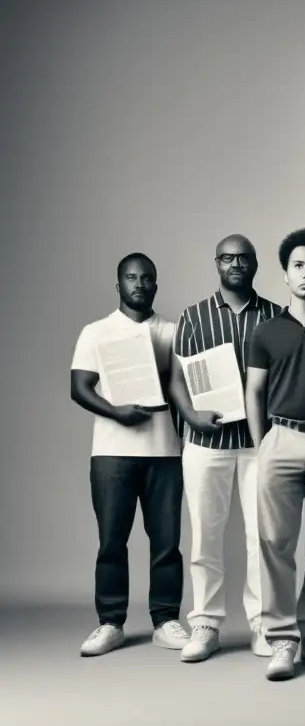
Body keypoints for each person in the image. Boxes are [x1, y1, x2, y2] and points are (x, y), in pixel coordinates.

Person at [169, 234, 283, 663]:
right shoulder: (193, 316)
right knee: (205, 536)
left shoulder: (275, 315)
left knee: (263, 537)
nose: (236, 264)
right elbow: (178, 378)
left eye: (244, 258)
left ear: (255, 264)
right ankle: (206, 624)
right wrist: (192, 415)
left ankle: (263, 625)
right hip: (205, 441)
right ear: (216, 263)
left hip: (259, 442)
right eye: (228, 258)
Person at [70, 252, 190, 656]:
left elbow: (186, 388)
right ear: (118, 284)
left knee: (167, 542)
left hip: (164, 451)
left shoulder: (173, 332)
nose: (139, 284)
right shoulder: (96, 332)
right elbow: (80, 387)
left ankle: (166, 620)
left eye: (147, 278)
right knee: (111, 541)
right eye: (131, 277)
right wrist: (116, 412)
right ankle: (110, 623)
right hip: (111, 452)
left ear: (157, 284)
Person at [245, 228, 305, 681]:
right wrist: (261, 440)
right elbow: (255, 391)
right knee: (275, 543)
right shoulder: (265, 331)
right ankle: (282, 638)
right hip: (279, 439)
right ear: (285, 275)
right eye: (298, 266)